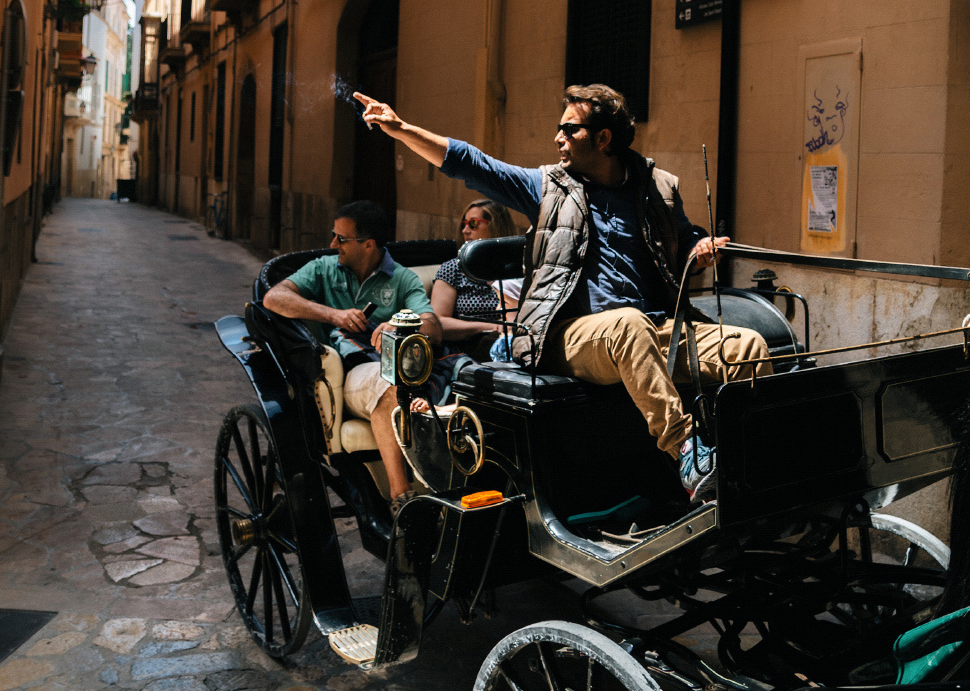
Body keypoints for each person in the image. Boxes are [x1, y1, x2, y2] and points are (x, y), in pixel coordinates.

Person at [353, 85, 772, 502]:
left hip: (652, 328)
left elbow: (683, 239)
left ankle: (748, 465)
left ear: (603, 138)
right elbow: (473, 164)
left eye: (569, 130)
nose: (558, 138)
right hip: (566, 335)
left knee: (747, 345)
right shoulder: (550, 187)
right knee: (627, 326)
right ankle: (687, 452)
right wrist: (401, 128)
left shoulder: (656, 186)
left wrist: (699, 249)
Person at [262, 200, 441, 514]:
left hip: (394, 367)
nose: (333, 244)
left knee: (401, 379)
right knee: (387, 384)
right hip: (348, 372)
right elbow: (274, 297)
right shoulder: (323, 268)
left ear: (368, 245)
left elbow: (433, 326)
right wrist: (333, 315)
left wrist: (397, 325)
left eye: (341, 239)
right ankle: (401, 499)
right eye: (335, 236)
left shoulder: (401, 278)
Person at [432, 198, 518, 362]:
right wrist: (489, 327)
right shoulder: (452, 269)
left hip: (509, 342)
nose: (465, 230)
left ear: (495, 226)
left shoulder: (514, 269)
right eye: (463, 224)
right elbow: (438, 322)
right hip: (465, 350)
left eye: (473, 224)